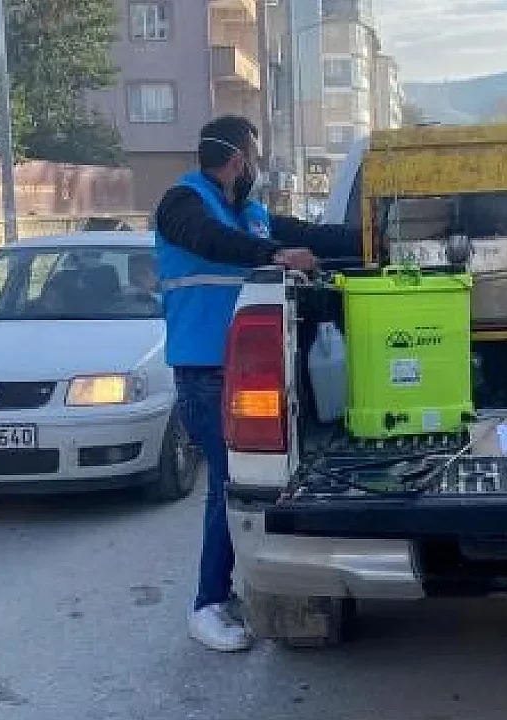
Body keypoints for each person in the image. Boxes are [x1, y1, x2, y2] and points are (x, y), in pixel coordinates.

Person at [154, 115, 359, 653]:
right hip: (204, 373)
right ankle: (206, 605)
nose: (257, 170)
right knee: (228, 486)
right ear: (239, 160)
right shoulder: (182, 203)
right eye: (255, 159)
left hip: (250, 373)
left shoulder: (247, 213)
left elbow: (310, 235)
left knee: (252, 483)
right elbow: (209, 240)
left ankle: (234, 589)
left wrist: (378, 237)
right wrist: (272, 255)